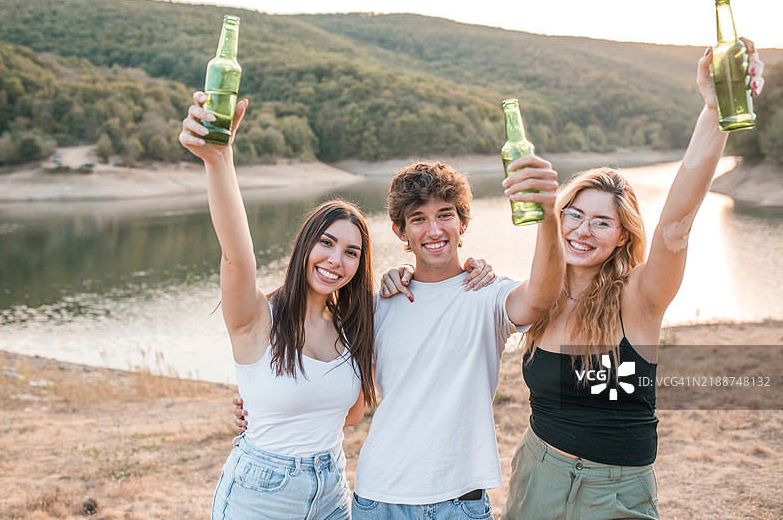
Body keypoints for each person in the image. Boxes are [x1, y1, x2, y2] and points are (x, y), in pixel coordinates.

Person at [180, 92, 496, 520]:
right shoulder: (256, 318)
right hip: (262, 490)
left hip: (331, 489)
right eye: (326, 243)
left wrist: (455, 273)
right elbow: (237, 256)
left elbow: (349, 416)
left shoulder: (354, 325)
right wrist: (219, 160)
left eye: (351, 252)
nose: (335, 260)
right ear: (304, 245)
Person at [501, 40, 765, 520]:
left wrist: (713, 111)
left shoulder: (640, 297)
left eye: (602, 222)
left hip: (615, 491)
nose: (582, 231)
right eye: (574, 214)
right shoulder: (539, 296)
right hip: (537, 477)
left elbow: (676, 223)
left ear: (623, 236)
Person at [240, 159, 565, 517]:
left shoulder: (487, 294)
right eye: (418, 219)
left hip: (459, 501)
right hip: (377, 499)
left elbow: (539, 298)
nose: (434, 230)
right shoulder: (377, 305)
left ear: (463, 222)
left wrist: (547, 216)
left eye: (445, 215)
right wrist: (261, 408)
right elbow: (342, 403)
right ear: (400, 231)